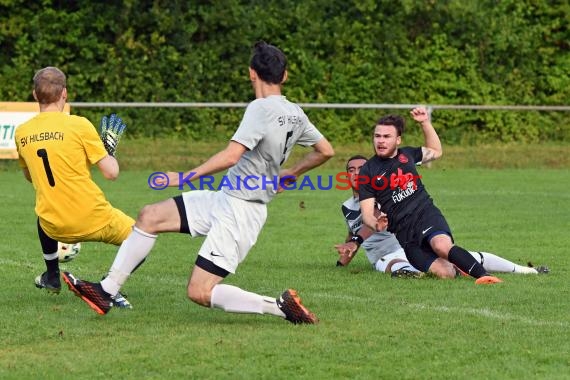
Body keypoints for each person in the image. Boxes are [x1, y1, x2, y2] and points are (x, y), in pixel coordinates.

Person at [62, 41, 335, 324]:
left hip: (242, 211)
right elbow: (326, 150)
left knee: (199, 291)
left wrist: (184, 177)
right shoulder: (296, 112)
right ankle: (105, 291)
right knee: (150, 216)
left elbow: (230, 156)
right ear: (285, 75)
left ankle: (280, 306)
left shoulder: (260, 108)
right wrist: (292, 173)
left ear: (251, 73)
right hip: (226, 199)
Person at [15, 66, 133, 307]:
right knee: (142, 235)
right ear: (64, 94)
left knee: (42, 213)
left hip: (53, 225)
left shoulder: (21, 132)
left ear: (35, 95)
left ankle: (52, 275)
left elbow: (30, 177)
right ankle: (107, 287)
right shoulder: (79, 125)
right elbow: (112, 173)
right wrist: (109, 150)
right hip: (94, 218)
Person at [335, 155, 549, 276]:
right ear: (347, 174)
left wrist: (356, 240)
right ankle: (443, 270)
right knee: (396, 264)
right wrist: (343, 259)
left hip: (404, 246)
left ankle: (525, 271)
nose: (357, 173)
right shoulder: (346, 206)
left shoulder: (383, 194)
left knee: (462, 256)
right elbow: (352, 230)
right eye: (351, 169)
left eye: (362, 168)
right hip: (386, 256)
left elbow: (372, 219)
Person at [358, 107, 504, 283]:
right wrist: (376, 224)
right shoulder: (368, 171)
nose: (380, 141)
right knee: (445, 273)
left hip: (425, 214)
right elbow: (366, 214)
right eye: (377, 136)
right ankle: (461, 265)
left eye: (386, 136)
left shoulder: (408, 155)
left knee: (441, 245)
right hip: (405, 233)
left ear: (398, 140)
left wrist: (425, 123)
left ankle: (484, 276)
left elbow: (436, 150)